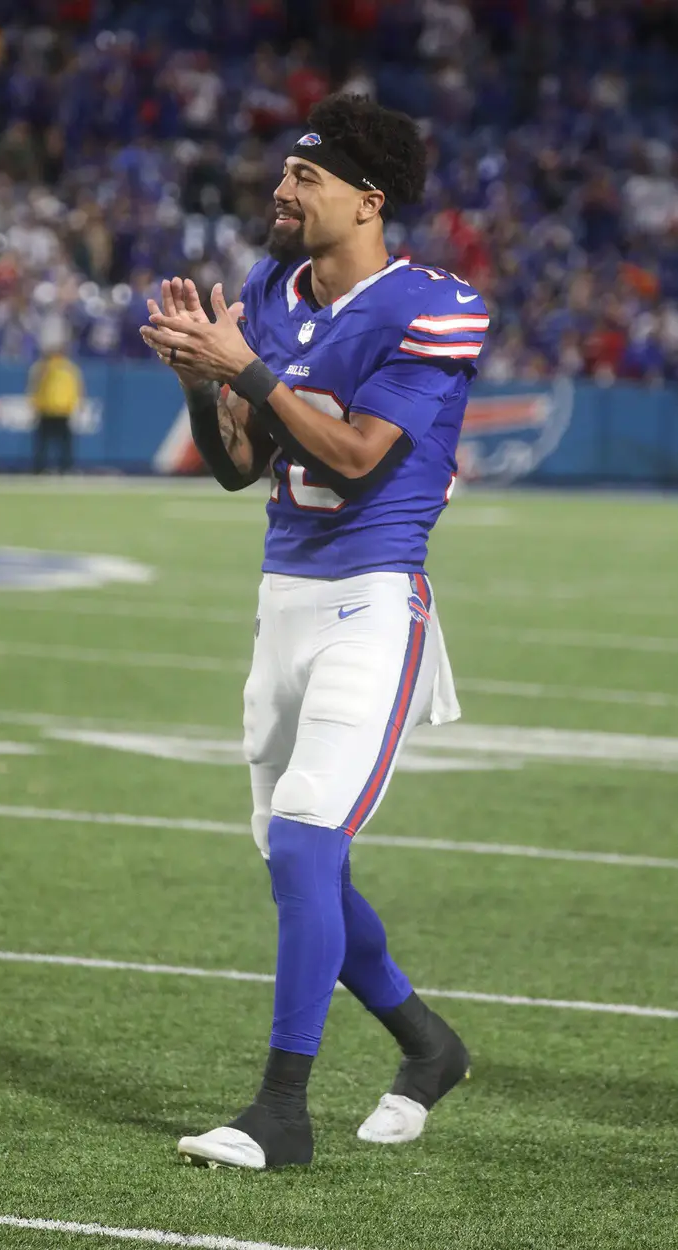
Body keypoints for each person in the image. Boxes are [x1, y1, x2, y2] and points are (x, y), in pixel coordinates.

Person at [141, 93, 489, 1171]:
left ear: (366, 200)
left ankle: (279, 1110)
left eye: (306, 178)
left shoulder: (431, 304)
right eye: (284, 175)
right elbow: (243, 460)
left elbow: (354, 455)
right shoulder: (269, 291)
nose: (281, 191)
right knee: (301, 862)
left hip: (372, 605)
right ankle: (427, 1044)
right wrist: (205, 389)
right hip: (281, 601)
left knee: (302, 840)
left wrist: (242, 368)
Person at [27, 344, 83, 474]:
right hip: (48, 409)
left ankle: (65, 467)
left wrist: (76, 404)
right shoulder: (43, 367)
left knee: (63, 443)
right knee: (44, 442)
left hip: (61, 410)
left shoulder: (68, 367)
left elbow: (77, 387)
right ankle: (41, 467)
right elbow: (34, 385)